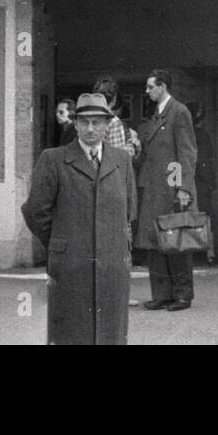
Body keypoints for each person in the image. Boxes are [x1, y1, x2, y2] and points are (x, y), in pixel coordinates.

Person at [22, 92, 137, 344]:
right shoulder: (53, 159)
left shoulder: (122, 160)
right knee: (72, 333)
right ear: (75, 124)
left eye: (97, 122)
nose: (91, 128)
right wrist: (60, 242)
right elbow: (34, 211)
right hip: (70, 265)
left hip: (112, 266)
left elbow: (129, 210)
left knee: (111, 334)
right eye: (84, 122)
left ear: (108, 125)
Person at [134, 69, 198, 311]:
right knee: (155, 243)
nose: (147, 91)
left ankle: (182, 295)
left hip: (171, 189)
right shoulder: (156, 115)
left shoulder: (179, 112)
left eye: (151, 87)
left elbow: (187, 152)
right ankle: (161, 294)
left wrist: (184, 189)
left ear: (163, 87)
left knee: (177, 242)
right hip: (153, 187)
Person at [190, 102, 216, 265]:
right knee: (207, 216)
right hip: (200, 182)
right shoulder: (202, 136)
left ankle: (188, 251)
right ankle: (210, 253)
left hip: (183, 182)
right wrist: (210, 182)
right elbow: (204, 162)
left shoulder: (181, 134)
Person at [93, 76, 141, 161]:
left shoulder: (88, 119)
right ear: (114, 98)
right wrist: (133, 143)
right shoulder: (113, 121)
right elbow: (118, 159)